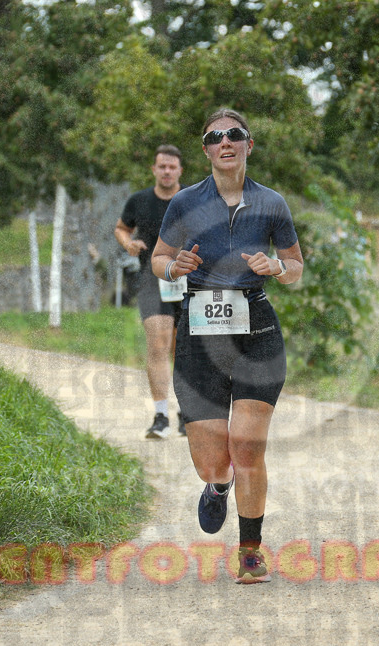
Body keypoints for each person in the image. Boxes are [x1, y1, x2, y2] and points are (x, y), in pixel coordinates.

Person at [151, 108, 303, 584]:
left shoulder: (272, 203)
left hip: (256, 324)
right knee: (214, 461)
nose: (225, 142)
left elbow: (295, 266)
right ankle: (219, 486)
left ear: (248, 144)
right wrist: (175, 266)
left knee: (248, 446)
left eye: (234, 134)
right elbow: (158, 258)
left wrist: (276, 269)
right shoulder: (185, 203)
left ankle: (251, 550)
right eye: (215, 137)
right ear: (206, 150)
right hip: (199, 327)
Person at [114, 145, 186, 439]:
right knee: (158, 346)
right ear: (154, 169)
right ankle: (160, 416)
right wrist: (128, 244)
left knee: (183, 352)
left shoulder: (192, 200)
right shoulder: (139, 200)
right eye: (162, 167)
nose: (167, 171)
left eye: (172, 167)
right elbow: (121, 228)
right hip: (151, 280)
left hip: (187, 282)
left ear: (180, 170)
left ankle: (187, 413)